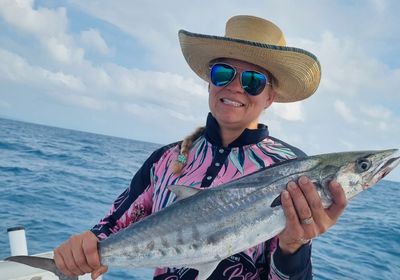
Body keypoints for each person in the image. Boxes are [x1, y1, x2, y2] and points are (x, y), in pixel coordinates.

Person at [53, 15, 347, 279]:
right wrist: (83, 247)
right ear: (209, 82)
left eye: (253, 81)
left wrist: (294, 246)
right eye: (223, 73)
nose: (235, 87)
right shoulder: (166, 160)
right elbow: (110, 227)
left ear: (270, 97)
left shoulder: (292, 169)